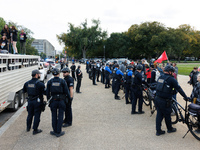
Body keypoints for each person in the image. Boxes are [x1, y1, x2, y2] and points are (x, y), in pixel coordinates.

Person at [154, 65, 189, 136]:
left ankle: (158, 131)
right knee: (167, 115)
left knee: (159, 115)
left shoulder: (161, 77)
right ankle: (169, 129)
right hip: (165, 100)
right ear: (170, 72)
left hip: (157, 99)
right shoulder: (171, 79)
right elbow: (179, 89)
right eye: (172, 72)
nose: (173, 73)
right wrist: (185, 97)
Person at [46, 68, 71, 137]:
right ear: (59, 74)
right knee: (60, 116)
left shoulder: (50, 82)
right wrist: (69, 99)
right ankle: (59, 131)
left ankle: (54, 131)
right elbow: (67, 91)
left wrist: (49, 100)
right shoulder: (62, 81)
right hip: (61, 101)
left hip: (53, 100)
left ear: (53, 74)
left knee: (53, 116)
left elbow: (47, 93)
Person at [23, 69, 45, 135]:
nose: (40, 75)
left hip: (30, 101)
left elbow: (24, 91)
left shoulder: (27, 83)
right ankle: (35, 130)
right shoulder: (40, 84)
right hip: (37, 101)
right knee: (37, 115)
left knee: (30, 115)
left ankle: (28, 127)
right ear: (36, 75)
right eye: (39, 74)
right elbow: (44, 92)